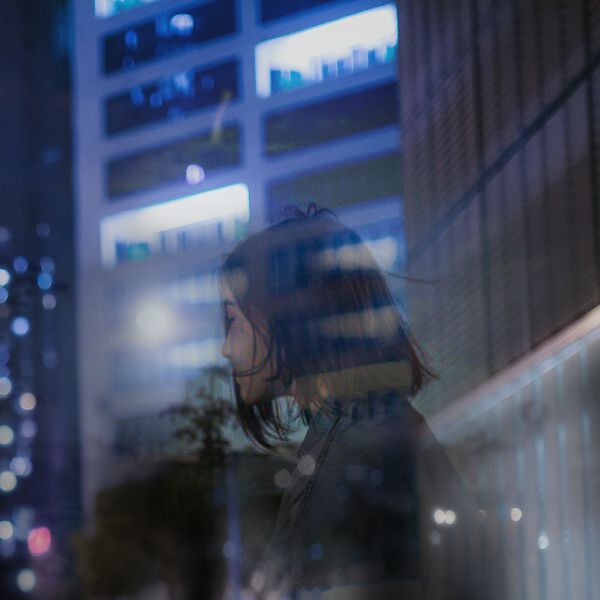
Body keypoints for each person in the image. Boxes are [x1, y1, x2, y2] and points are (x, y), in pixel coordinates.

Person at [219, 205, 479, 599]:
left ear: (285, 319)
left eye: (233, 321)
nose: (226, 348)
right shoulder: (357, 432)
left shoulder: (356, 449)